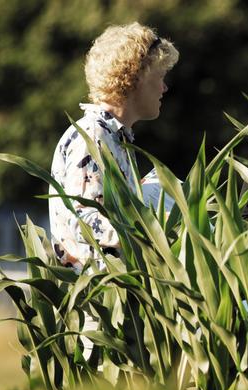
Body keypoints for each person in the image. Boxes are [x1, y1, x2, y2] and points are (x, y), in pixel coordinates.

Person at [49, 22, 178, 273]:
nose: (164, 88)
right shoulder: (94, 136)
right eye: (160, 77)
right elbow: (84, 221)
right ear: (136, 77)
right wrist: (157, 227)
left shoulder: (113, 136)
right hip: (101, 301)